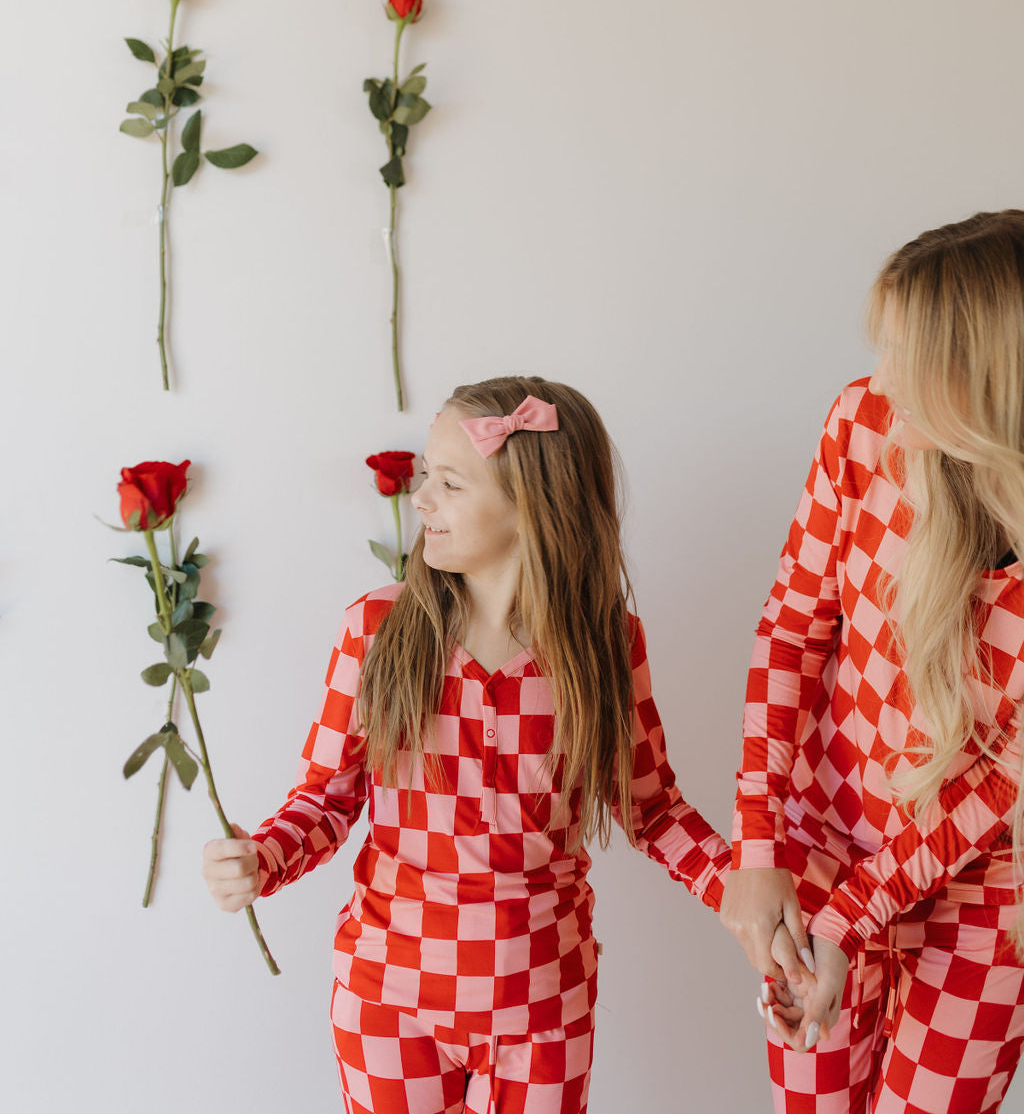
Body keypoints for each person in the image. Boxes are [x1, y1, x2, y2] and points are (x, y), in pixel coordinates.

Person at [203, 376, 730, 1114]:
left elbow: (654, 810)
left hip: (542, 1002)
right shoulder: (377, 629)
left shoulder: (603, 643)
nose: (421, 500)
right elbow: (328, 797)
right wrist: (262, 858)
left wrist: (745, 892)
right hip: (389, 995)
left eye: (449, 483)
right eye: (425, 477)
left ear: (533, 508)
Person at [722, 210, 1024, 1114]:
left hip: (983, 903)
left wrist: (852, 920)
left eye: (906, 357)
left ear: (982, 378)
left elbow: (998, 785)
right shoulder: (861, 424)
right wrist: (759, 843)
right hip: (822, 848)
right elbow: (791, 630)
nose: (879, 378)